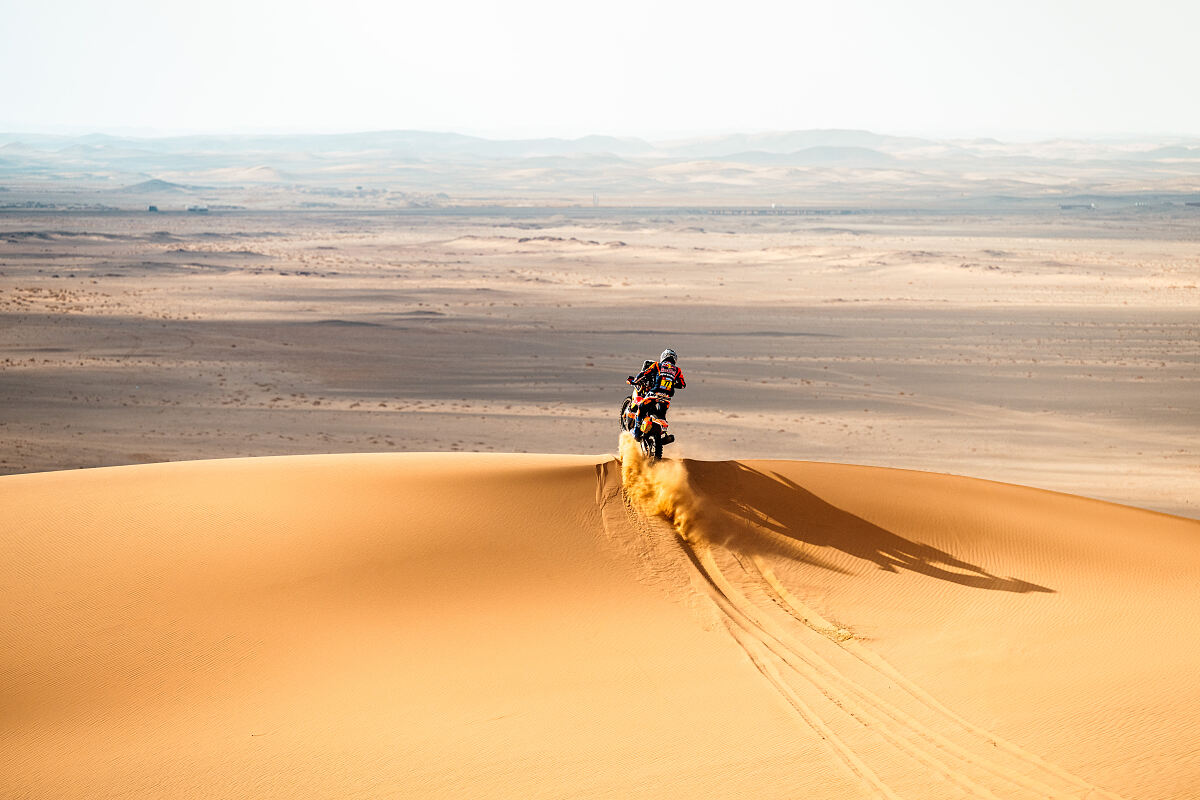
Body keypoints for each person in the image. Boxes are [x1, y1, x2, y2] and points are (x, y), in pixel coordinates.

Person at [626, 348, 686, 441]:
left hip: (653, 394)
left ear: (663, 357)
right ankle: (664, 435)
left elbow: (644, 373)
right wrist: (672, 383)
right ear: (674, 359)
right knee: (661, 415)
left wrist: (634, 381)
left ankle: (636, 433)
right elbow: (682, 385)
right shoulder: (677, 370)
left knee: (641, 408)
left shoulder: (658, 365)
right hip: (666, 398)